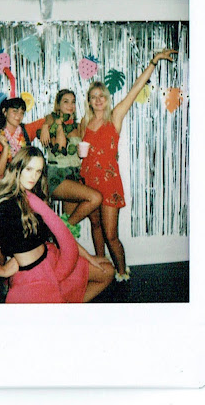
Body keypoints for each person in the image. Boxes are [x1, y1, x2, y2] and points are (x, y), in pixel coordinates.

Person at [0, 147, 114, 303]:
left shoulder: (32, 197)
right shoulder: (4, 204)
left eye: (38, 171)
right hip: (32, 277)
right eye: (29, 169)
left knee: (107, 271)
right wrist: (2, 271)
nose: (34, 176)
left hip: (51, 260)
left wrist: (88, 257)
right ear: (17, 168)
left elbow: (61, 233)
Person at [80, 49, 177, 281]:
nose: (98, 100)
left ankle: (122, 273)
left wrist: (153, 62)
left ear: (107, 99)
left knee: (111, 234)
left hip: (109, 184)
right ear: (89, 101)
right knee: (95, 227)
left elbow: (135, 90)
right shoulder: (84, 122)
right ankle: (102, 268)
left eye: (102, 95)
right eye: (94, 96)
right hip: (88, 182)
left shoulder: (115, 116)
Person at [0, 97, 45, 265]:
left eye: (22, 112)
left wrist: (45, 128)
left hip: (24, 194)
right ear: (4, 112)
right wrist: (5, 149)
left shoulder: (25, 131)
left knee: (27, 234)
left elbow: (47, 119)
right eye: (15, 111)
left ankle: (26, 272)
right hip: (2, 195)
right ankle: (1, 274)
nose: (19, 116)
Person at [37, 89, 102, 238]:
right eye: (66, 101)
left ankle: (62, 238)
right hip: (57, 176)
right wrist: (52, 124)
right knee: (95, 198)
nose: (70, 105)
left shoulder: (77, 126)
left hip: (74, 175)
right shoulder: (51, 122)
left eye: (73, 102)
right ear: (58, 105)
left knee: (73, 226)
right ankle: (58, 231)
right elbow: (60, 147)